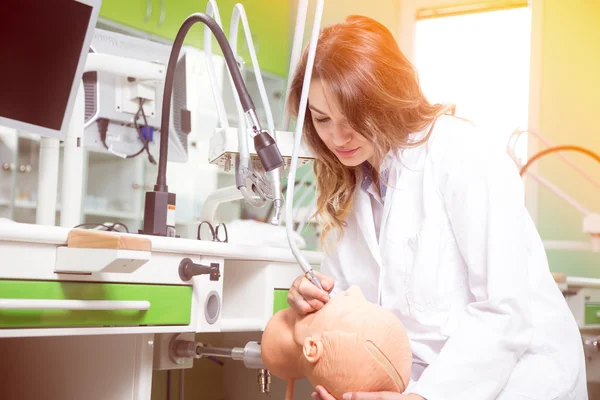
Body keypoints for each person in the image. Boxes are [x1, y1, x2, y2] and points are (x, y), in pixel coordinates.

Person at [285, 15, 588, 400]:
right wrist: (312, 302)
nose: (337, 137)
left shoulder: (459, 152)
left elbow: (505, 311)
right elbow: (356, 314)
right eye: (322, 118)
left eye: (353, 120)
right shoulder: (347, 186)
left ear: (387, 98)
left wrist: (422, 398)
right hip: (422, 384)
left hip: (521, 380)